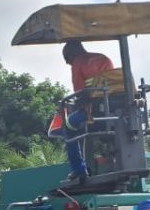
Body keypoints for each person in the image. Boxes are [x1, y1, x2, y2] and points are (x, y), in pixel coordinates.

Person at [48, 39, 115, 181]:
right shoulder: (104, 58)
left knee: (68, 125)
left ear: (72, 54)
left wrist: (71, 105)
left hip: (93, 112)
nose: (68, 64)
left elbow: (80, 93)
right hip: (115, 110)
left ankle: (79, 170)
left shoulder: (78, 62)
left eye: (67, 60)